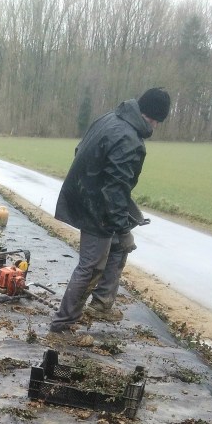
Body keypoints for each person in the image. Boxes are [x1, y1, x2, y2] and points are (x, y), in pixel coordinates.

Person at [49, 87, 171, 334]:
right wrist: (121, 225)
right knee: (91, 266)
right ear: (153, 118)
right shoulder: (128, 139)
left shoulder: (110, 118)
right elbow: (115, 188)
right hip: (96, 204)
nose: (156, 126)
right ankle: (63, 323)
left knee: (120, 246)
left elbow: (80, 150)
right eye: (157, 121)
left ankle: (102, 304)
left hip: (86, 193)